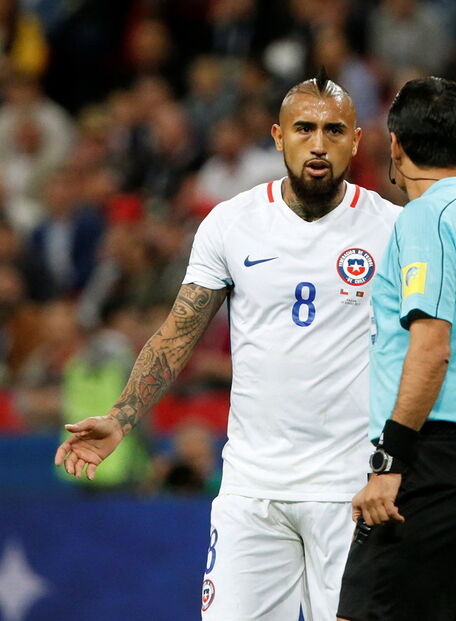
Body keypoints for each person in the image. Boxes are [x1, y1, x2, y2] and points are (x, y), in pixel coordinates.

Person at [53, 70, 402, 620]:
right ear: (276, 136)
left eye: (334, 131)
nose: (318, 143)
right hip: (252, 490)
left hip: (352, 489)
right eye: (304, 128)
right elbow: (176, 333)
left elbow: (430, 349)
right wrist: (121, 417)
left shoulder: (394, 230)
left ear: (357, 141)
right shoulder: (232, 224)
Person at [336, 76, 456, 621]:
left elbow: (432, 347)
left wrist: (390, 461)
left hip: (429, 463)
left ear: (393, 146)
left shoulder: (425, 219)